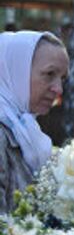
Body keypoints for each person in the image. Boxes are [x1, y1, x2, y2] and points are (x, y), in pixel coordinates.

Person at [0, 31, 69, 213]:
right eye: (49, 74)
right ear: (15, 71)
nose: (58, 89)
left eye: (62, 78)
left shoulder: (24, 129)